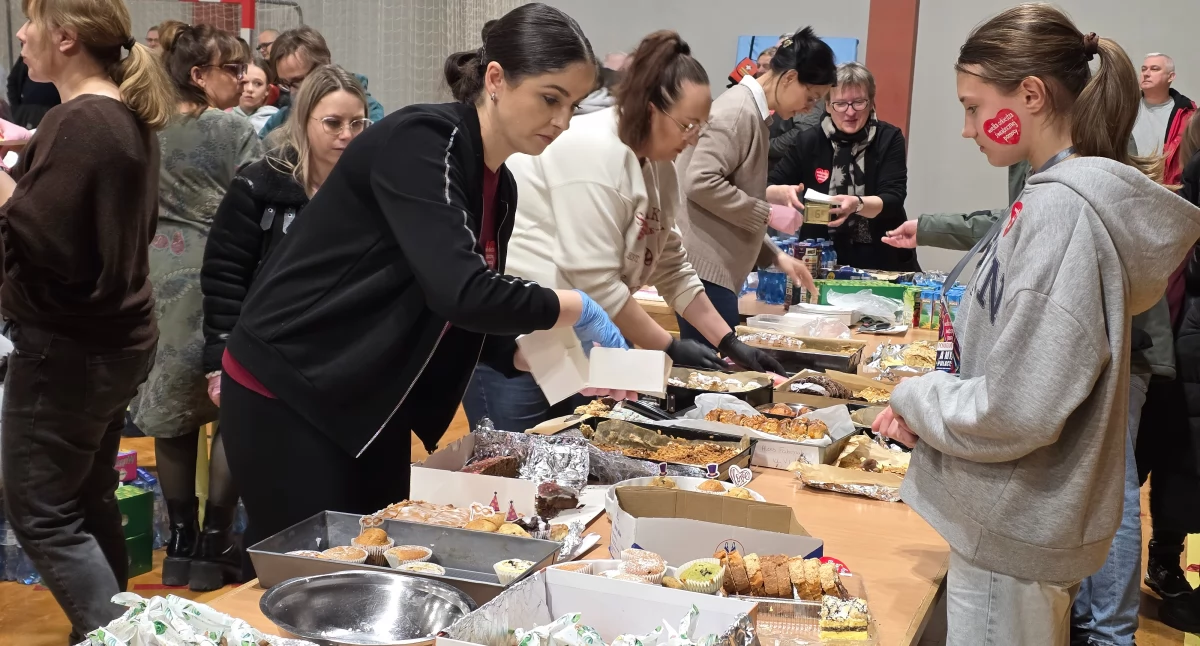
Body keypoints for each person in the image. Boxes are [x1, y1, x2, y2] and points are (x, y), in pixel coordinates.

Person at [217, 3, 624, 574]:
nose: (560, 121)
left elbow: (444, 306)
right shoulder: (424, 140)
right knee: (312, 579)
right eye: (550, 98)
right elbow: (462, 289)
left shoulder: (498, 184)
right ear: (497, 79)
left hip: (371, 395)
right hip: (290, 386)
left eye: (573, 106)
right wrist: (571, 306)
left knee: (380, 567)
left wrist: (513, 352)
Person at [870, 6, 1200, 644]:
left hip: (1013, 529)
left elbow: (1019, 407)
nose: (968, 129)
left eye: (973, 107)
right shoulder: (1052, 197)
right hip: (1010, 518)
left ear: (1030, 94)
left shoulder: (1063, 213)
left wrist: (916, 395)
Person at [463, 31, 786, 433]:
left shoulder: (659, 167)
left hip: (567, 346)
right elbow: (596, 284)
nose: (694, 138)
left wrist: (728, 342)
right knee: (512, 473)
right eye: (688, 125)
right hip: (514, 344)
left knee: (565, 470)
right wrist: (667, 345)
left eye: (700, 127)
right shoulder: (596, 151)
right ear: (650, 110)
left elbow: (671, 263)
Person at [0, 0, 173, 640]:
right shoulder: (109, 116)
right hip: (109, 340)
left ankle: (119, 636)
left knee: (40, 510)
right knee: (85, 494)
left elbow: (38, 246)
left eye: (30, 22)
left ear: (66, 38)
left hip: (68, 346)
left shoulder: (83, 122)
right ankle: (106, 629)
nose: (21, 33)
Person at [126, 21, 261, 593]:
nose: (243, 78)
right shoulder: (233, 129)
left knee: (171, 414)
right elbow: (258, 205)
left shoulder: (144, 125)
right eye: (231, 68)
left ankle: (178, 543)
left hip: (156, 278)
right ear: (197, 74)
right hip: (224, 274)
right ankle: (215, 539)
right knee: (230, 403)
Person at [203, 64, 369, 422]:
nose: (347, 134)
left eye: (358, 123)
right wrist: (219, 358)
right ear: (304, 121)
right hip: (265, 356)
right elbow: (225, 276)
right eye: (333, 123)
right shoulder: (258, 185)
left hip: (343, 361)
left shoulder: (375, 190)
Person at [675, 27, 833, 345]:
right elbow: (700, 181)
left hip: (714, 270)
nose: (809, 108)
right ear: (789, 78)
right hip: (704, 270)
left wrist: (776, 256)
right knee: (710, 381)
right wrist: (763, 212)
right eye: (811, 97)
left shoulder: (752, 112)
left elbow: (729, 196)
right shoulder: (738, 111)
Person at [1141, 116, 1200, 634]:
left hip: (1180, 347)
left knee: (1161, 465)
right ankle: (1164, 562)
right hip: (1178, 346)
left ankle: (1162, 564)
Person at [771, 62, 917, 271]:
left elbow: (893, 198)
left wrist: (856, 204)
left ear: (871, 103)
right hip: (820, 255)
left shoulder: (888, 137)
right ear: (828, 106)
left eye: (858, 102)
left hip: (881, 255)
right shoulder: (809, 140)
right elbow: (768, 185)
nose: (850, 112)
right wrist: (780, 192)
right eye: (840, 104)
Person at [258, 26, 384, 136]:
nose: (293, 92)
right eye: (285, 84)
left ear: (324, 67)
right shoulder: (280, 121)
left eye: (298, 81)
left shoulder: (367, 111)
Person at [1133, 53, 1195, 184]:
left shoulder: (1188, 114)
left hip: (1169, 191)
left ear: (1171, 77)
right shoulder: (1124, 108)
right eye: (1144, 69)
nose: (1146, 73)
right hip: (1129, 185)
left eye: (1154, 69)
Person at [6, 55, 60, 128]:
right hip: (27, 112)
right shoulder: (28, 55)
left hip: (54, 111)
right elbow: (13, 81)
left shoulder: (61, 56)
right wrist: (17, 107)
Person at [231, 57, 278, 132]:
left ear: (267, 90)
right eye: (244, 82)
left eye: (258, 84)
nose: (250, 89)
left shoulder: (276, 119)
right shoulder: (222, 118)